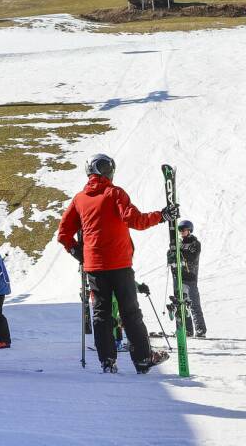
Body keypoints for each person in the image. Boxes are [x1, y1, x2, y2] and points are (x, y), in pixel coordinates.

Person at [56, 153, 170, 374]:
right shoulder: (115, 193)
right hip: (119, 264)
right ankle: (143, 359)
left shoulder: (80, 199)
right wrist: (161, 216)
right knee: (130, 313)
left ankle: (107, 361)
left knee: (102, 314)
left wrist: (80, 254)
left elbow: (63, 234)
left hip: (94, 267)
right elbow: (135, 220)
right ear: (107, 171)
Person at [167, 220, 206, 338]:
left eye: (184, 230)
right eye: (180, 230)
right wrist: (171, 253)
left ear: (189, 230)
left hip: (190, 277)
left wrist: (178, 253)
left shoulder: (195, 243)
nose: (181, 232)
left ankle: (200, 330)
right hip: (178, 277)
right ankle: (187, 330)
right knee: (181, 305)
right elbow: (171, 255)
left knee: (193, 304)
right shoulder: (177, 243)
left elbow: (192, 257)